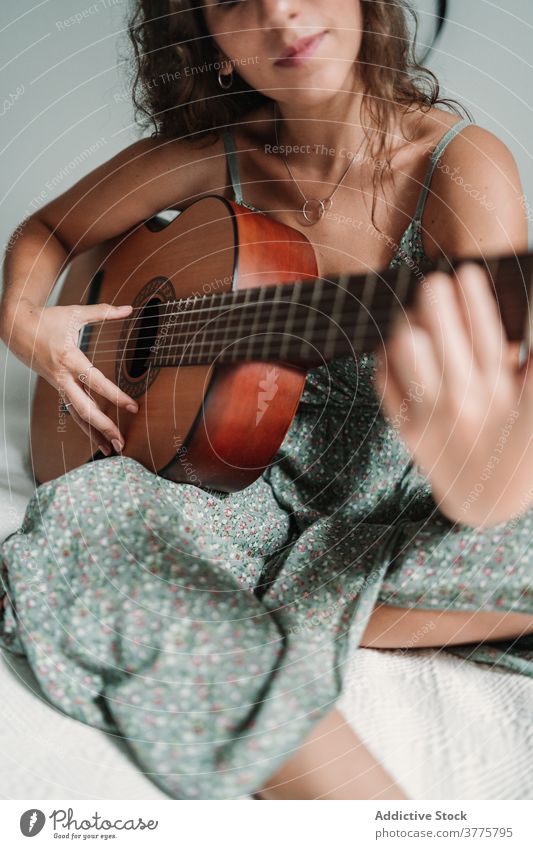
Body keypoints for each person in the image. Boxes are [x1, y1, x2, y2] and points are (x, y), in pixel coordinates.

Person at [0, 0, 532, 800]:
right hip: (241, 496)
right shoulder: (213, 156)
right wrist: (24, 324)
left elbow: (495, 476)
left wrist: (469, 459)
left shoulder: (460, 165)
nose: (281, 9)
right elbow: (46, 231)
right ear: (209, 41)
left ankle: (279, 606)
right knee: (88, 514)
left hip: (411, 512)